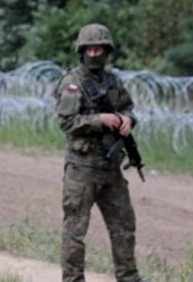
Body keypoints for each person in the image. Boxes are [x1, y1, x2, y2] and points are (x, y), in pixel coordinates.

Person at [54, 24, 145, 282]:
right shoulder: (73, 84)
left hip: (111, 168)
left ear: (107, 50)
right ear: (81, 51)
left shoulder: (113, 81)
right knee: (75, 230)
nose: (95, 53)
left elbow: (128, 107)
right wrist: (100, 119)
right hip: (82, 168)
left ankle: (128, 277)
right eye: (90, 49)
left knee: (124, 226)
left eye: (99, 48)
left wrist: (128, 119)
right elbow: (67, 123)